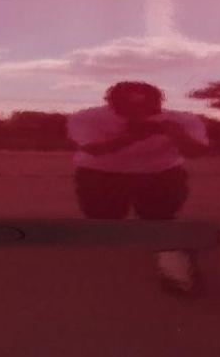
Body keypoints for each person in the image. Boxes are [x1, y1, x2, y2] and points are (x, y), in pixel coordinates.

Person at [67, 82, 209, 292]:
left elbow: (197, 153)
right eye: (127, 109)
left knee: (160, 220)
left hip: (160, 173)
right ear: (111, 106)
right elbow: (93, 149)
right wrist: (135, 136)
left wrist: (176, 134)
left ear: (159, 105)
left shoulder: (182, 120)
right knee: (104, 222)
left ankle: (176, 268)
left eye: (146, 108)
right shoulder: (87, 117)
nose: (138, 113)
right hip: (101, 174)